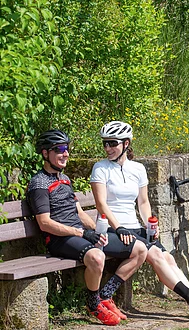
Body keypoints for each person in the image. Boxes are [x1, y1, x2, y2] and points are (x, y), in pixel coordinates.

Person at [90, 120, 189, 318]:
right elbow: (101, 204)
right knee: (157, 256)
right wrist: (119, 228)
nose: (107, 148)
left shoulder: (138, 169)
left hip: (135, 228)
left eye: (112, 143)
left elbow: (143, 203)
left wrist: (150, 224)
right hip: (113, 229)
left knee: (167, 257)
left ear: (126, 144)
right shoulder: (100, 168)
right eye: (105, 143)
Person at [27, 129, 148, 326]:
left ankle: (105, 296)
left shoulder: (64, 179)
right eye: (59, 149)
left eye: (67, 148)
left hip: (81, 235)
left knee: (140, 249)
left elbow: (79, 212)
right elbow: (45, 223)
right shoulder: (39, 184)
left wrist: (99, 231)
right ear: (44, 153)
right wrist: (82, 233)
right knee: (97, 256)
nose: (65, 153)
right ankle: (93, 304)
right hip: (59, 240)